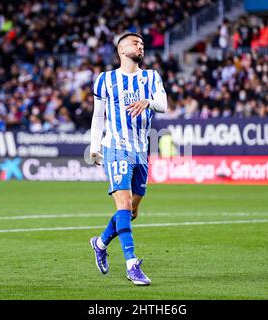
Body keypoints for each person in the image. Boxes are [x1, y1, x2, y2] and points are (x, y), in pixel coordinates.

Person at [89, 32, 167, 286]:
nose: (140, 46)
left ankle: (100, 243)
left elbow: (164, 105)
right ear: (122, 49)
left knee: (132, 211)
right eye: (135, 43)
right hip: (116, 147)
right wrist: (94, 146)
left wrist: (148, 102)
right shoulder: (105, 79)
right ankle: (132, 265)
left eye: (142, 44)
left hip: (141, 150)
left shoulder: (152, 77)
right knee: (122, 205)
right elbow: (98, 116)